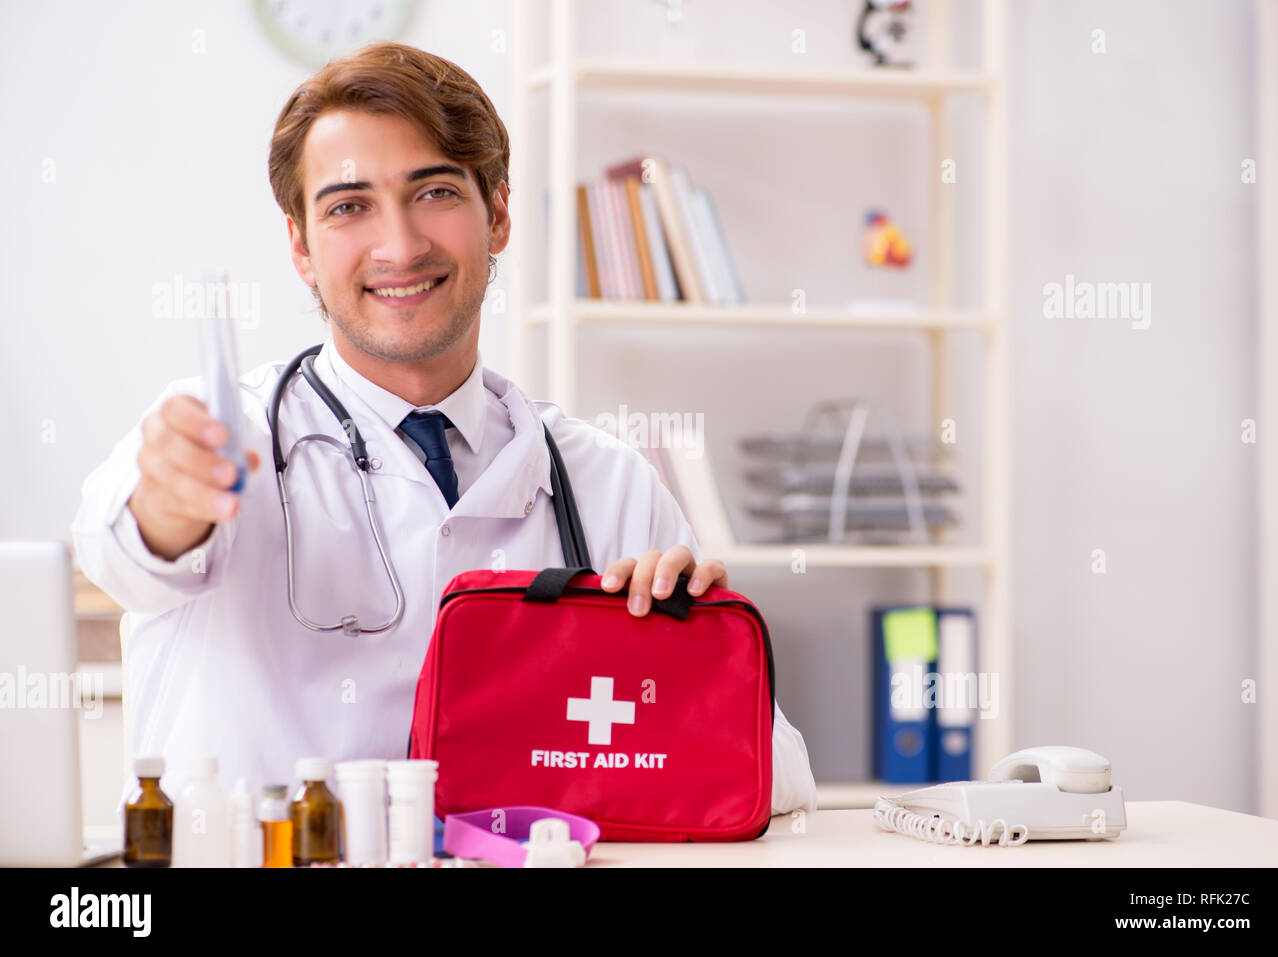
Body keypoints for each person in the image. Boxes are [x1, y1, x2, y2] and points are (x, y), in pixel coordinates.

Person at [72, 42, 816, 817]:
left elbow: (782, 775)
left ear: (496, 214)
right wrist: (171, 506)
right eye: (349, 206)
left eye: (432, 193)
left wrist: (689, 656)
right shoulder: (220, 437)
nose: (400, 246)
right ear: (300, 245)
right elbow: (125, 549)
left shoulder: (607, 484)